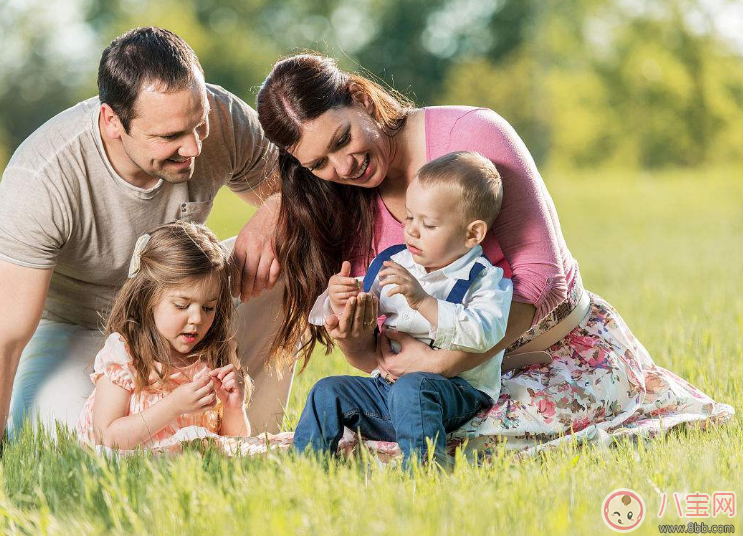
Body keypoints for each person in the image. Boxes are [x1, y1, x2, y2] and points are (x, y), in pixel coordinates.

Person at [256, 53, 733, 457]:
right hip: (430, 386)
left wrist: (444, 365)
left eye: (342, 139)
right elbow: (383, 353)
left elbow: (546, 281)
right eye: (319, 163)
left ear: (360, 100)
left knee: (438, 440)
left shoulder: (471, 134)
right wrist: (356, 339)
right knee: (394, 425)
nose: (344, 167)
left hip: (554, 356)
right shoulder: (342, 200)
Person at [0, 27, 292, 453]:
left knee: (289, 252)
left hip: (187, 313)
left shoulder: (220, 117)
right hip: (78, 329)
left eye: (199, 125)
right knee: (90, 444)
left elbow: (312, 178)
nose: (192, 147)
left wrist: (277, 208)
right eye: (169, 137)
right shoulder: (43, 179)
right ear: (113, 122)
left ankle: (248, 435)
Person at [295, 151, 510, 463]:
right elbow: (357, 306)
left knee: (413, 388)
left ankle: (423, 472)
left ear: (472, 233)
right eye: (409, 217)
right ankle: (305, 468)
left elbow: (484, 333)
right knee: (326, 390)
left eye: (428, 223)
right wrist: (338, 299)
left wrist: (423, 301)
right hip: (389, 389)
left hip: (456, 394)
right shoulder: (396, 262)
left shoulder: (486, 280)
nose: (412, 230)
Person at [77, 221, 252, 451]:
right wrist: (174, 406)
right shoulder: (126, 355)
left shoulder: (217, 353)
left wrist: (233, 408)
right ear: (148, 299)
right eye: (182, 305)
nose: (197, 319)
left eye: (208, 308)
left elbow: (235, 444)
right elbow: (107, 438)